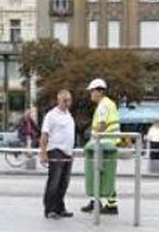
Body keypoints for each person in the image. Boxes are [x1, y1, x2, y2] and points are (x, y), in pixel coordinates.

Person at [81, 78, 120, 215]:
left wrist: (94, 139)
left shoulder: (103, 105)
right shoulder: (109, 103)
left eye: (92, 91)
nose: (91, 94)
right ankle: (100, 202)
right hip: (109, 143)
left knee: (98, 173)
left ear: (99, 91)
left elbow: (102, 125)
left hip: (103, 144)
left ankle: (104, 204)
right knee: (104, 174)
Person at [40, 90, 76, 220]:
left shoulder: (69, 115)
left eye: (69, 100)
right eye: (64, 100)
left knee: (64, 182)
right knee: (54, 181)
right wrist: (43, 152)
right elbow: (45, 134)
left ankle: (60, 208)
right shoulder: (51, 115)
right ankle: (49, 209)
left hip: (68, 152)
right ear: (58, 100)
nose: (67, 103)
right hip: (56, 150)